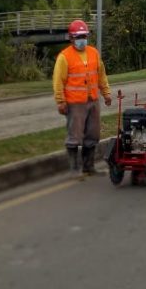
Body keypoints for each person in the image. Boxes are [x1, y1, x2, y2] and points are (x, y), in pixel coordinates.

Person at [53, 20, 112, 176]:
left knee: (93, 134)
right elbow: (58, 81)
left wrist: (106, 93)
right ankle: (74, 169)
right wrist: (60, 101)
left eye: (84, 36)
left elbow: (101, 75)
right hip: (75, 103)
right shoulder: (64, 57)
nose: (82, 40)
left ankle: (89, 167)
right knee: (75, 135)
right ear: (71, 38)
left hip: (92, 100)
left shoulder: (94, 53)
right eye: (78, 37)